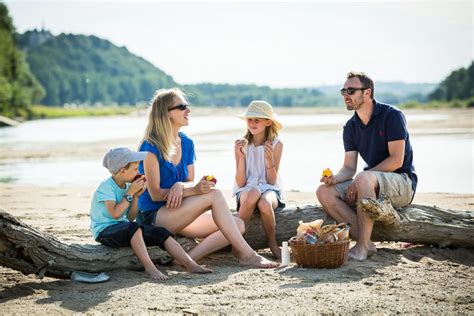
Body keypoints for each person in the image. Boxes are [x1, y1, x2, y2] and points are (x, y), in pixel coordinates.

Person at [136, 88, 279, 268]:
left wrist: (184, 185)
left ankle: (186, 259)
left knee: (239, 224)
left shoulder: (186, 143)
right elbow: (155, 194)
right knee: (215, 195)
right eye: (182, 107)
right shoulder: (150, 146)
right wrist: (194, 190)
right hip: (154, 215)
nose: (188, 110)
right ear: (165, 113)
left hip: (179, 210)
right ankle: (248, 255)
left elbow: (189, 179)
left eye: (187, 106)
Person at [316, 72, 417, 261]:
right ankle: (367, 243)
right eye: (343, 91)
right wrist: (335, 179)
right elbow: (349, 168)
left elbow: (397, 160)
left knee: (363, 177)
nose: (346, 95)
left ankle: (361, 247)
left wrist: (362, 179)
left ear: (367, 92)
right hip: (370, 183)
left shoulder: (392, 116)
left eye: (351, 90)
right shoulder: (350, 127)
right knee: (324, 191)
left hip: (402, 183)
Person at [90, 147, 211, 281]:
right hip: (104, 232)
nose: (138, 172)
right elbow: (115, 214)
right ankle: (150, 267)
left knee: (160, 232)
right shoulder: (106, 187)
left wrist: (136, 196)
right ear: (123, 171)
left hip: (124, 228)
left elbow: (130, 217)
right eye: (135, 169)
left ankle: (190, 264)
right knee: (134, 228)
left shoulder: (126, 186)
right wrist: (130, 193)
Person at [233, 100, 285, 259]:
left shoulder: (276, 144)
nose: (252, 123)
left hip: (270, 188)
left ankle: (272, 242)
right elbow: (241, 182)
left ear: (268, 122)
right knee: (254, 192)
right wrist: (241, 157)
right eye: (250, 119)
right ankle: (237, 243)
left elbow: (271, 181)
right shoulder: (241, 144)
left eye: (257, 120)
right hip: (246, 189)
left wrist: (269, 161)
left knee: (263, 202)